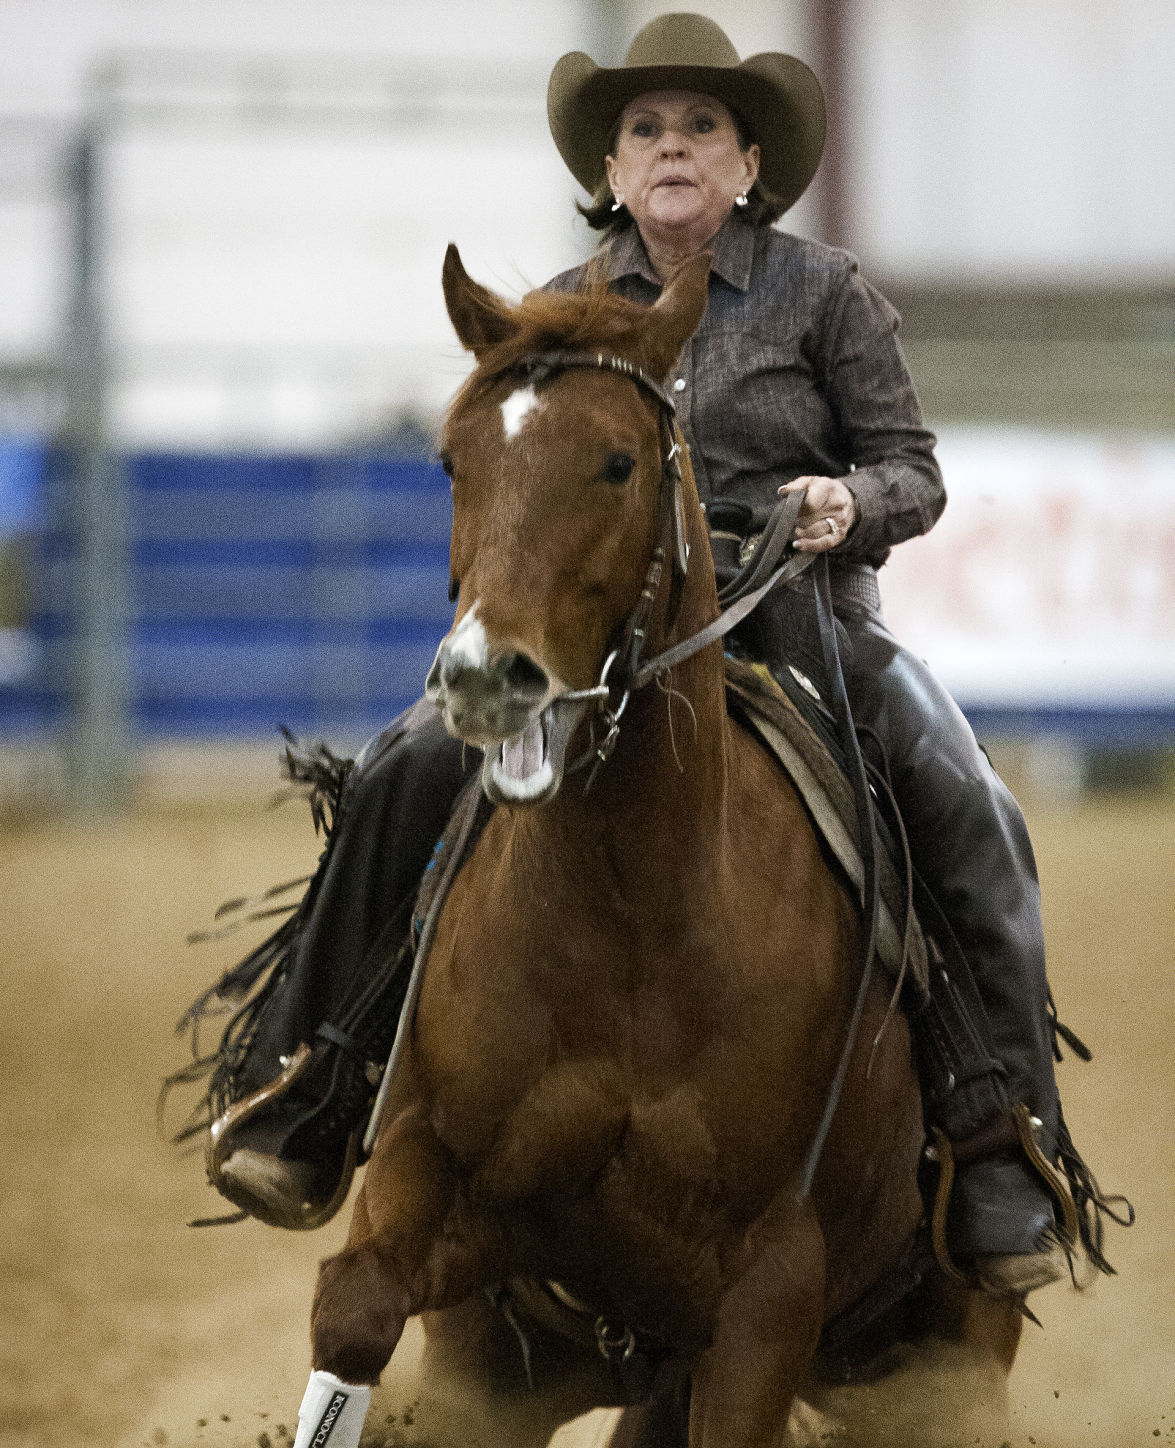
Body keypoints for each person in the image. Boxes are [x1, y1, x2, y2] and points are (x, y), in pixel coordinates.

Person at [189, 13, 1093, 1299]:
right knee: (403, 767)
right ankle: (315, 1082)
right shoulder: (564, 308)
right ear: (610, 172)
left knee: (969, 806)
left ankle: (996, 1128)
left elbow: (917, 472)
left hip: (799, 615)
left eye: (700, 127)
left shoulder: (823, 293)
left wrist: (847, 502)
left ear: (746, 165)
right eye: (644, 130)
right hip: (604, 620)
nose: (672, 148)